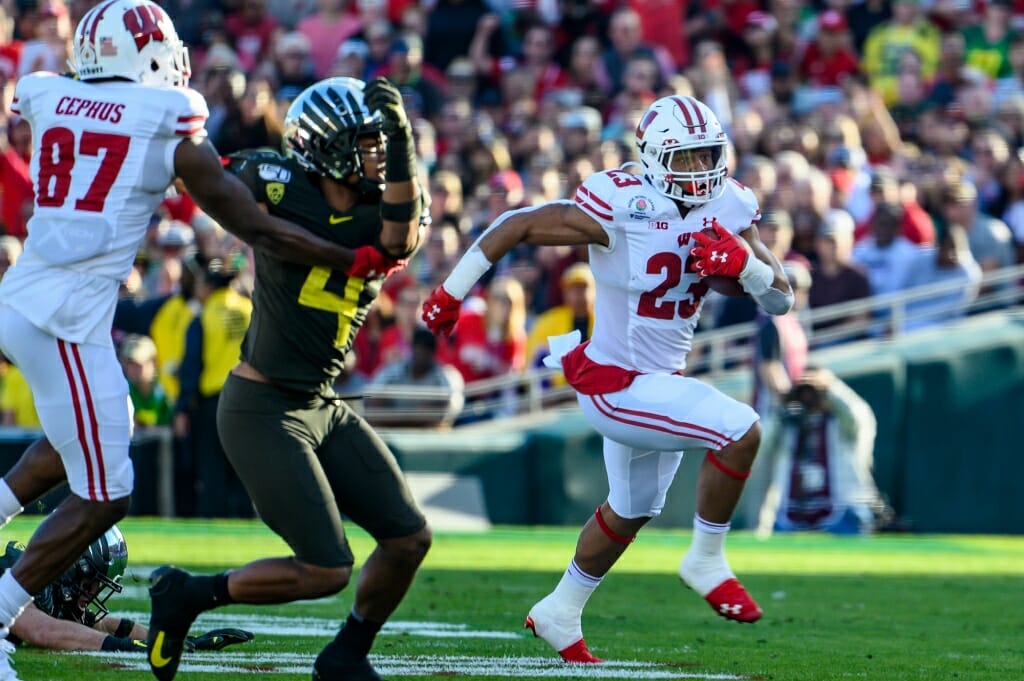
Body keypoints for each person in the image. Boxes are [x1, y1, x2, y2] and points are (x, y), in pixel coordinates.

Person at [0, 2, 407, 679]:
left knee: (97, 434)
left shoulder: (48, 94)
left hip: (30, 299)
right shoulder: (168, 118)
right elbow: (255, 225)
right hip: (63, 317)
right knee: (107, 491)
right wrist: (349, 258)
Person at [422, 94, 793, 662]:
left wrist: (748, 266)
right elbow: (517, 224)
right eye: (685, 158)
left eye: (705, 156)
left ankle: (560, 610)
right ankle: (706, 559)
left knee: (633, 506)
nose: (699, 171)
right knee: (741, 428)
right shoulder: (623, 201)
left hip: (660, 382)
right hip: (616, 383)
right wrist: (451, 291)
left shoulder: (733, 202)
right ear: (651, 157)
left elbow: (781, 299)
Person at [146, 76, 432, 681]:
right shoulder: (276, 181)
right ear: (327, 144)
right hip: (261, 406)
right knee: (327, 567)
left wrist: (405, 143)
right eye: (371, 142)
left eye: (387, 144)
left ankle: (347, 654)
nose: (380, 155)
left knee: (408, 538)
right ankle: (190, 595)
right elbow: (204, 180)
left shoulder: (388, 203)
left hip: (319, 404)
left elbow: (402, 237)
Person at [0, 525, 253, 653]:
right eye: (94, 582)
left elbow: (102, 625)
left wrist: (179, 642)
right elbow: (43, 631)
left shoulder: (49, 588)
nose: (94, 592)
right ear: (74, 568)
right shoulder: (17, 574)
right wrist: (125, 647)